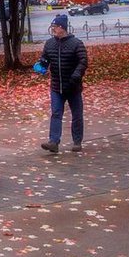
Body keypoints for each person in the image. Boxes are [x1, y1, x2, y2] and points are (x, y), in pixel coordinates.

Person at [37, 13, 87, 154]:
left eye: (55, 26)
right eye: (52, 26)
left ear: (62, 27)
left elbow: (83, 61)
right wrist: (41, 65)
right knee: (56, 113)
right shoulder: (49, 43)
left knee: (77, 114)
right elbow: (45, 59)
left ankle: (77, 142)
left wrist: (77, 75)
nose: (53, 29)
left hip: (73, 87)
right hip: (56, 86)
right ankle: (54, 142)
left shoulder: (76, 43)